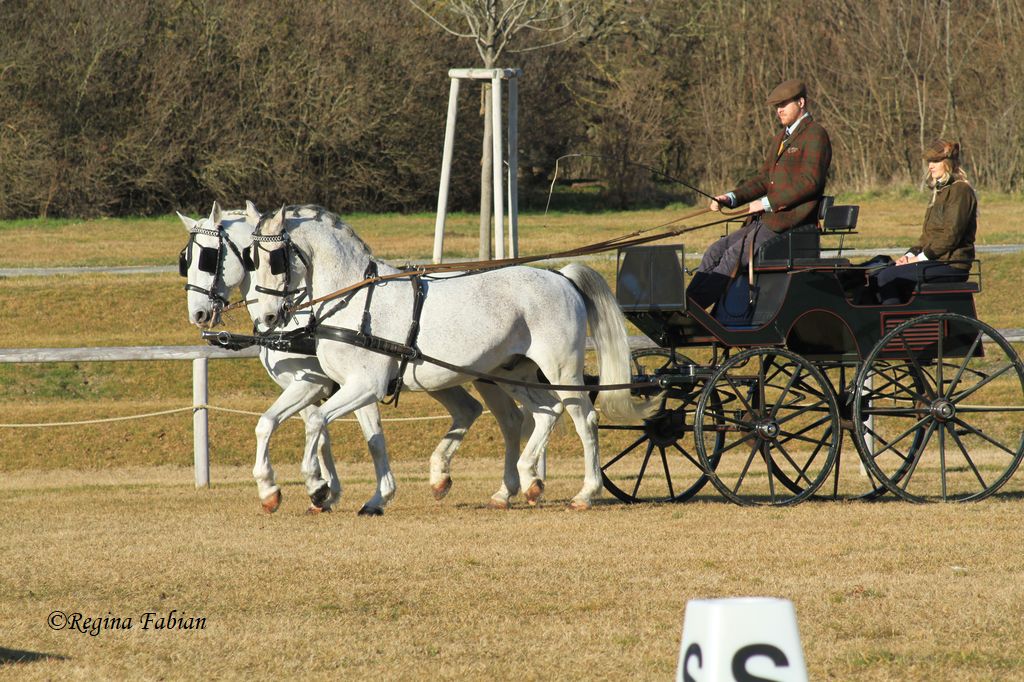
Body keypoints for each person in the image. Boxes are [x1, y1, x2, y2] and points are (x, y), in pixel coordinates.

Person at [686, 78, 832, 309]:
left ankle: (694, 311)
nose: (779, 110)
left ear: (801, 102)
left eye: (784, 104)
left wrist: (767, 203)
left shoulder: (815, 134)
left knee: (733, 255)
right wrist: (731, 198)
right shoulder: (781, 138)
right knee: (715, 251)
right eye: (777, 106)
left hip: (791, 224)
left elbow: (810, 182)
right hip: (768, 221)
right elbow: (765, 179)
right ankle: (687, 306)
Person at [873, 139, 976, 305]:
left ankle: (895, 326)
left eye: (936, 161)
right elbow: (926, 236)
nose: (931, 166)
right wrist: (908, 256)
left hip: (951, 264)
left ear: (948, 163)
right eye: (930, 162)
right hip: (937, 261)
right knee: (881, 272)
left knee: (888, 277)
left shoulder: (961, 190)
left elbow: (951, 236)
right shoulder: (940, 191)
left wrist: (921, 258)